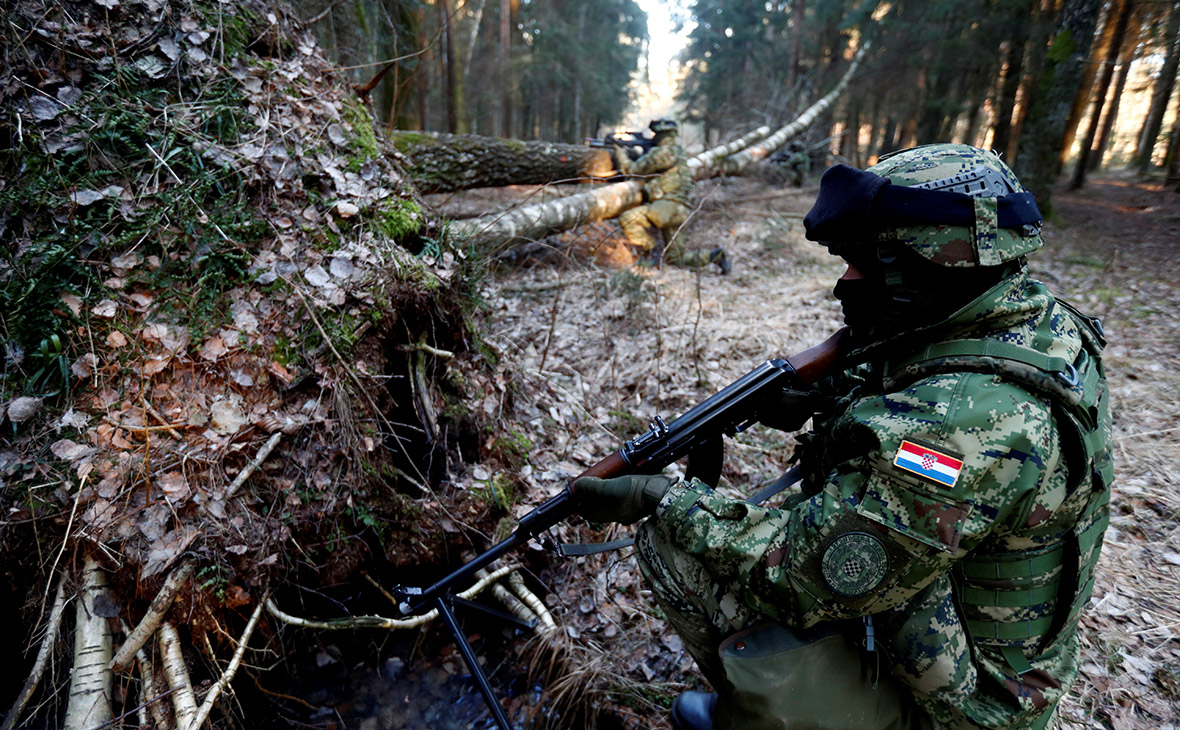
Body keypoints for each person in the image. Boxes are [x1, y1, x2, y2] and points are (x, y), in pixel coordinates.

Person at [573, 144, 1113, 730]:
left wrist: (663, 497)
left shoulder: (960, 426)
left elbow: (800, 574)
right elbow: (923, 376)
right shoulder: (1031, 323)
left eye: (864, 262)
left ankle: (776, 710)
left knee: (675, 541)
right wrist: (829, 398)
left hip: (967, 711)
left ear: (928, 266)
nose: (847, 280)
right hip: (1003, 652)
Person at [615, 119, 731, 274]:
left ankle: (651, 251)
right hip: (681, 210)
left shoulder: (662, 152)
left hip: (665, 208)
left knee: (627, 218)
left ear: (659, 134)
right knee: (676, 259)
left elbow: (632, 170)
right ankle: (715, 256)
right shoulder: (678, 152)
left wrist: (620, 153)